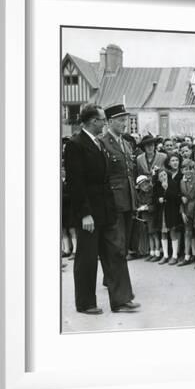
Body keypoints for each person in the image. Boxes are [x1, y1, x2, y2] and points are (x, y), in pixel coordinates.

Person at [64, 104, 139, 314]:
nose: (104, 123)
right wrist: (85, 213)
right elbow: (76, 184)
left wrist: (112, 209)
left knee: (115, 253)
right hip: (88, 214)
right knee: (87, 259)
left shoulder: (98, 143)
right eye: (102, 120)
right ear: (92, 122)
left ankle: (121, 300)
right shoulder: (76, 144)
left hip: (107, 210)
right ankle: (86, 303)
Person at [99, 103, 138, 262]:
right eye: (121, 120)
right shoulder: (103, 143)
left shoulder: (126, 144)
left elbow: (130, 173)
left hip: (128, 199)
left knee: (124, 242)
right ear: (109, 122)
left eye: (125, 120)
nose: (125, 123)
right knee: (116, 243)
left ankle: (111, 278)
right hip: (114, 201)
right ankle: (116, 280)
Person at [178, 159, 195, 267]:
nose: (188, 171)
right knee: (188, 233)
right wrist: (182, 212)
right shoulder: (181, 181)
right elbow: (180, 197)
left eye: (190, 169)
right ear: (182, 170)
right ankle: (187, 256)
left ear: (194, 169)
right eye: (185, 169)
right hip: (186, 212)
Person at [154, 168, 182, 265]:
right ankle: (165, 255)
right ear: (158, 178)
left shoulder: (173, 184)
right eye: (160, 176)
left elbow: (176, 198)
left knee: (172, 231)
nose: (163, 177)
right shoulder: (157, 186)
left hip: (171, 212)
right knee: (163, 233)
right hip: (162, 212)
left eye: (164, 175)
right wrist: (159, 200)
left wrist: (166, 190)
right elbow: (155, 199)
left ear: (167, 175)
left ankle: (174, 255)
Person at [134, 175, 160, 262]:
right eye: (142, 186)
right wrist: (140, 208)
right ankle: (151, 253)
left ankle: (157, 253)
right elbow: (139, 204)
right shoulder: (140, 195)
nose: (144, 187)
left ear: (148, 183)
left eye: (145, 184)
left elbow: (155, 206)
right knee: (149, 235)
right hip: (145, 217)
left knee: (155, 234)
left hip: (152, 216)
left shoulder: (152, 192)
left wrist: (147, 208)